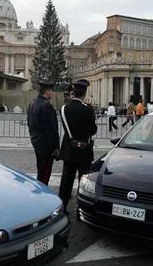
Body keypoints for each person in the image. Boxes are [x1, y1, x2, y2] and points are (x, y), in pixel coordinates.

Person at [58, 79, 97, 214]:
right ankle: (82, 210)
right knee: (83, 182)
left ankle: (62, 207)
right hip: (84, 151)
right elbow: (93, 131)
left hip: (69, 150)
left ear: (73, 93)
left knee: (66, 181)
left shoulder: (63, 108)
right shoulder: (87, 110)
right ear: (84, 94)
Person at [27, 80, 59, 185]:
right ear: (47, 91)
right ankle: (42, 192)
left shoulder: (33, 103)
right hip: (46, 145)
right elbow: (51, 130)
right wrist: (55, 147)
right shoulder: (46, 107)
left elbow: (29, 123)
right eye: (51, 91)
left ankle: (39, 187)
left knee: (40, 169)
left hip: (36, 142)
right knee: (45, 172)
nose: (52, 93)